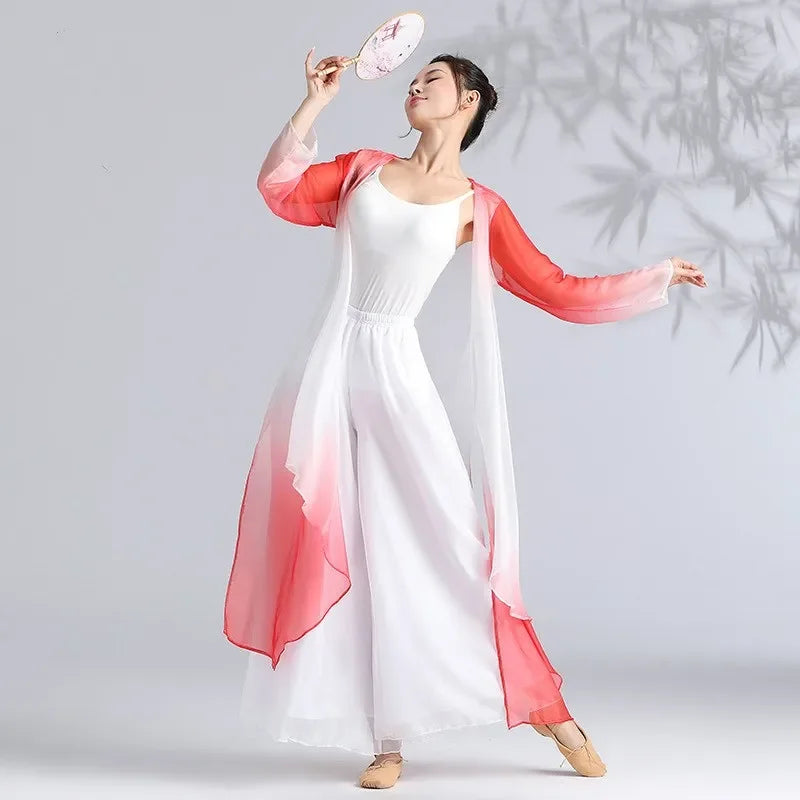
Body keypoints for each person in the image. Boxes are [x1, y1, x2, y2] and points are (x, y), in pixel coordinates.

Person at [224, 50, 707, 790]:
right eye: (413, 79)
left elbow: (556, 288)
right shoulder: (361, 170)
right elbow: (279, 189)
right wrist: (314, 104)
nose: (416, 86)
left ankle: (549, 709)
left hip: (395, 373)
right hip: (327, 372)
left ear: (469, 100)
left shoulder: (477, 206)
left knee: (452, 549)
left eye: (434, 79)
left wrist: (654, 276)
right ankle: (388, 741)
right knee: (357, 555)